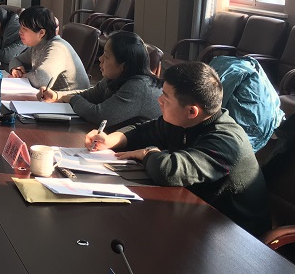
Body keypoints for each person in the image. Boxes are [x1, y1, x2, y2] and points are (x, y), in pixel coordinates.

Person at [85, 61, 270, 236]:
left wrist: (147, 153)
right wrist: (111, 139)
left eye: (166, 97)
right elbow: (142, 131)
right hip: (195, 213)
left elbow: (169, 171)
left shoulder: (227, 141)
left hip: (235, 234)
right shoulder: (184, 121)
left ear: (192, 111)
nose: (159, 100)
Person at [39, 31, 161, 129]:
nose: (100, 59)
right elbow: (89, 95)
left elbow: (99, 116)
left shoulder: (138, 87)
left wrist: (71, 99)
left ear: (124, 66)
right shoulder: (114, 78)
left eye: (106, 56)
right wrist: (57, 96)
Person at [8, 6, 89, 90]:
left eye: (24, 29)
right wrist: (16, 69)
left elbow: (41, 80)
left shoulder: (56, 48)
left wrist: (22, 77)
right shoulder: (38, 45)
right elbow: (16, 60)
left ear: (41, 33)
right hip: (51, 95)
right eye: (20, 27)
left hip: (71, 97)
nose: (20, 32)